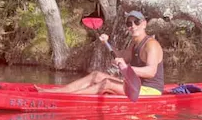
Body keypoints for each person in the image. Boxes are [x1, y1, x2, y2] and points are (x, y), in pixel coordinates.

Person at [36, 10, 164, 95]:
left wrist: (127, 68)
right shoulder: (134, 44)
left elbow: (151, 72)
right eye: (129, 23)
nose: (133, 26)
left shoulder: (151, 45)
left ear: (144, 24)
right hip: (135, 85)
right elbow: (119, 56)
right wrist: (106, 43)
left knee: (107, 83)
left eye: (136, 22)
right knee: (96, 75)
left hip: (150, 91)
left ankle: (68, 97)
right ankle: (59, 92)